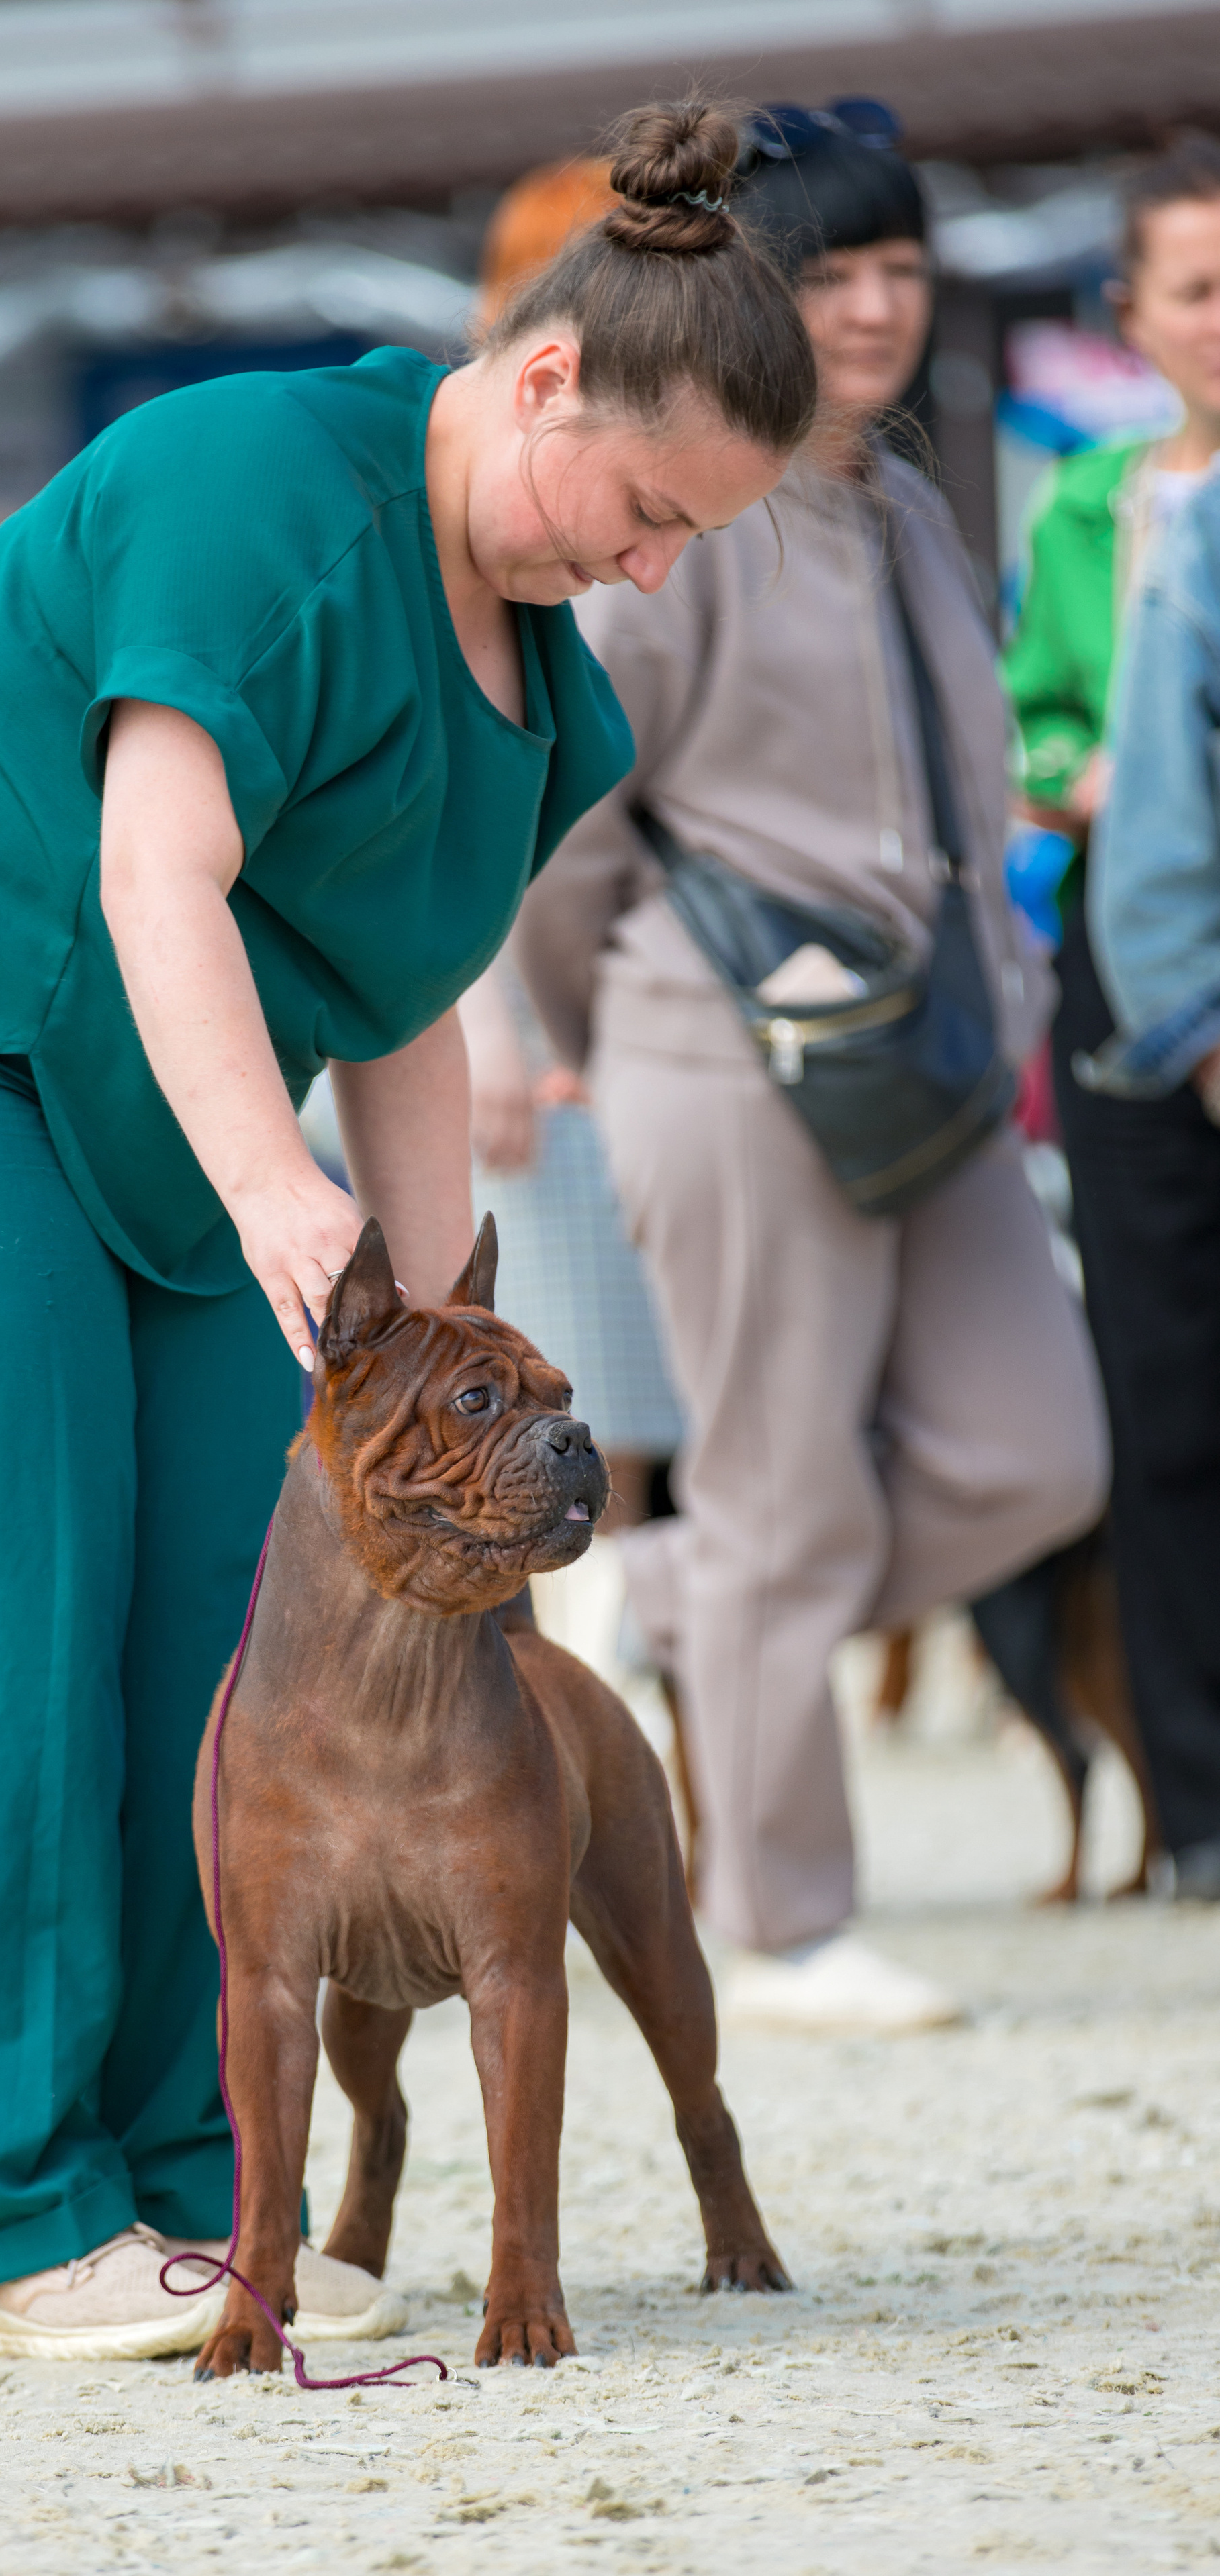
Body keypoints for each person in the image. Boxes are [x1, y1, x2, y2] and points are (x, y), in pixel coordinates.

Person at [0, 105, 816, 2362]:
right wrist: (291, 1207)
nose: (659, 571)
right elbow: (154, 873)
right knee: (21, 1579)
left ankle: (210, 2185)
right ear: (551, 377)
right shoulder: (254, 489)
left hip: (147, 1109)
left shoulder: (550, 692)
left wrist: (422, 1340)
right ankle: (12, 2222)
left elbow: (401, 1008)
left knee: (235, 1603)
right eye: (655, 513)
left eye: (707, 546)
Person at [517, 103, 1109, 2035]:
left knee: (1035, 1449)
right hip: (728, 1039)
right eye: (828, 269)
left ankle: (690, 1613)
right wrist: (585, 1039)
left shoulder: (912, 501)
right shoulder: (694, 512)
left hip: (935, 1046)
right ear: (745, 286)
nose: (871, 307)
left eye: (901, 267)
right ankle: (775, 1916)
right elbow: (573, 817)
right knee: (781, 1473)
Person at [1006, 136, 1220, 1901]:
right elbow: (1040, 720)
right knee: (1159, 1393)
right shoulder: (1088, 506)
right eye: (1199, 287)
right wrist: (1089, 772)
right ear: (1131, 317)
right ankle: (1196, 1802)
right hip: (1121, 959)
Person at [458, 158, 684, 1526]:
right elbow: (453, 793)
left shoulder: (642, 487)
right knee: (554, 1414)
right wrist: (482, 1015)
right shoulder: (513, 507)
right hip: (507, 1022)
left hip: (598, 1016)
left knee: (631, 1421)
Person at [1081, 479, 1220, 1897]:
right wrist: (1194, 1020)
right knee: (1170, 1426)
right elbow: (1161, 822)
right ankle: (1196, 1810)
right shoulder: (1187, 534)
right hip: (1164, 1033)